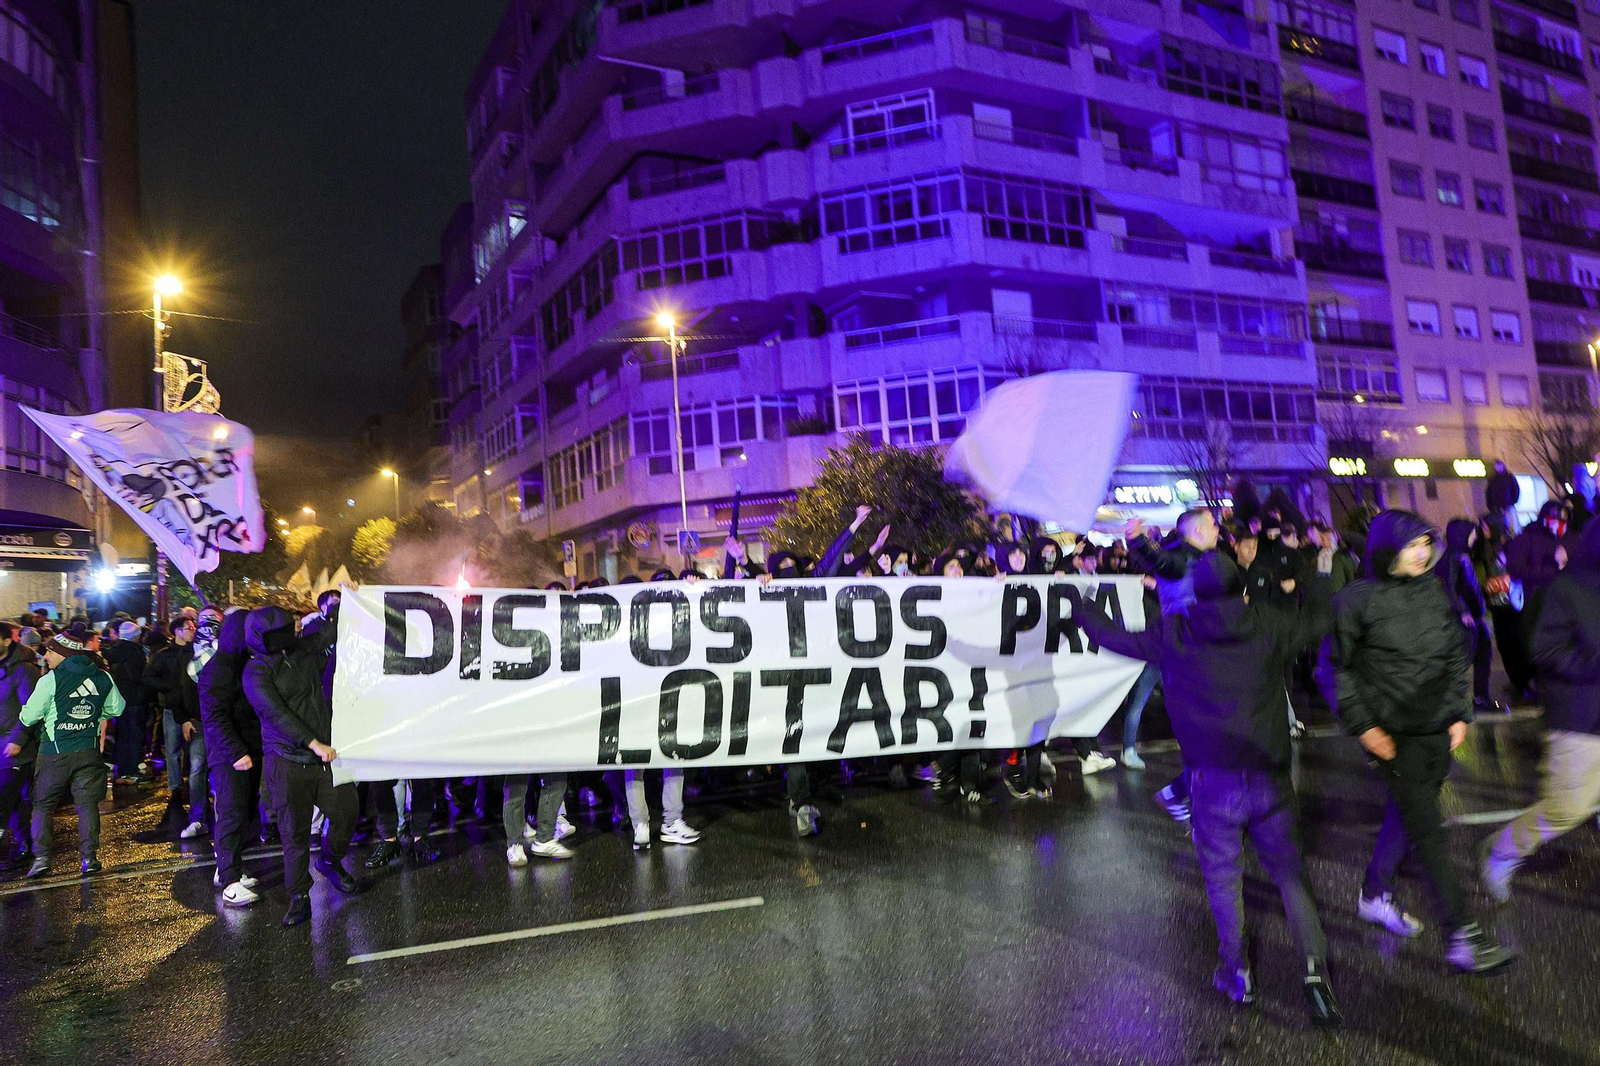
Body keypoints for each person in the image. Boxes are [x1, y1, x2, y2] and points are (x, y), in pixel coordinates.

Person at [1079, 550, 1343, 1025]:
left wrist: (1084, 598)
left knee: (1224, 879)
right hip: (1268, 775)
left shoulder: (1175, 633)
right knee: (1288, 873)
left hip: (1210, 782)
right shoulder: (1265, 624)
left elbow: (1108, 636)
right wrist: (1320, 572)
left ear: (1195, 594)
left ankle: (1236, 970)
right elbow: (1321, 616)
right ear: (1243, 590)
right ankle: (1313, 970)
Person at [1333, 510, 1514, 973]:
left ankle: (1373, 894)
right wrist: (1366, 728)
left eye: (1425, 544)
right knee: (1429, 834)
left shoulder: (1433, 594)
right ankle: (1462, 935)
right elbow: (1335, 670)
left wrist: (1460, 713)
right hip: (1396, 739)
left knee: (1407, 819)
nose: (1422, 552)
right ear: (1386, 549)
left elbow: (1456, 655)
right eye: (1411, 544)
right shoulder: (1356, 601)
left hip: (1437, 733)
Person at [1481, 518, 1600, 900]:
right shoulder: (1568, 589)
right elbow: (1544, 650)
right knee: (1567, 807)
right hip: (1579, 717)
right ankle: (1501, 852)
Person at [243, 605, 360, 926]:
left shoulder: (303, 649)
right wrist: (314, 744)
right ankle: (298, 895)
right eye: (280, 631)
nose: (290, 633)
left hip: (324, 759)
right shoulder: (255, 672)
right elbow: (276, 715)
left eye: (289, 627)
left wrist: (345, 604)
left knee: (347, 811)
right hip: (287, 761)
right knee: (293, 833)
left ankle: (330, 861)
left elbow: (331, 630)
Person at [1127, 509, 1221, 819]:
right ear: (1196, 532)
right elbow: (1163, 563)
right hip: (1188, 657)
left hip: (1201, 653)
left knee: (1213, 737)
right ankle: (1182, 796)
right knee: (1204, 735)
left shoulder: (1205, 557)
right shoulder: (1181, 555)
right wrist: (1138, 540)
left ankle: (1182, 794)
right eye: (1211, 524)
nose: (1217, 528)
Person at [20, 625, 124, 877]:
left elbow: (28, 717)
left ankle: (42, 858)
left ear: (64, 654)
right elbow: (117, 708)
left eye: (50, 652)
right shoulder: (102, 676)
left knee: (43, 805)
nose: (45, 656)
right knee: (87, 806)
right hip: (88, 752)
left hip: (55, 753)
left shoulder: (50, 680)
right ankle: (90, 858)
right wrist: (94, 714)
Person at [199, 608, 264, 907]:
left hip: (246, 751)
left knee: (245, 813)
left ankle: (229, 868)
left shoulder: (238, 662)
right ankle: (229, 881)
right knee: (231, 813)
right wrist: (236, 751)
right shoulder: (221, 667)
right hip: (230, 756)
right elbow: (214, 716)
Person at [147, 615, 207, 837]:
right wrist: (170, 687)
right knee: (173, 750)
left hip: (194, 712)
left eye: (193, 626)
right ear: (177, 632)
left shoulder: (197, 652)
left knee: (196, 758)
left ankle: (195, 796)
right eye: (187, 627)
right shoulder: (164, 655)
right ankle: (175, 788)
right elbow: (148, 677)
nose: (192, 630)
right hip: (173, 710)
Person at [1437, 519, 1496, 714]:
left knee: (1480, 655)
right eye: (1471, 533)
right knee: (1470, 658)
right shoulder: (1456, 557)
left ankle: (1479, 697)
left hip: (1472, 616)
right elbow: (1450, 587)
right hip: (1467, 618)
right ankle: (1471, 700)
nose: (1474, 536)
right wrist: (1462, 611)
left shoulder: (1456, 555)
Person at [0, 621, 39, 865]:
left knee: (6, 799)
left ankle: (28, 845)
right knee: (14, 802)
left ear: (6, 640)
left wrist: (18, 739)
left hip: (15, 749)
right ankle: (29, 844)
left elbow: (32, 709)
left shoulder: (23, 669)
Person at [102, 620, 149, 782]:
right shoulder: (135, 652)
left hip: (119, 699)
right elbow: (139, 676)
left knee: (123, 734)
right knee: (134, 735)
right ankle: (131, 770)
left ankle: (122, 769)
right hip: (134, 698)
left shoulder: (114, 651)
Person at [1486, 460, 1520, 537]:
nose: (1497, 468)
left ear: (1502, 466)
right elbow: (1488, 494)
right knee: (1500, 527)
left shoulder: (1509, 477)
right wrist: (1490, 506)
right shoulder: (1492, 480)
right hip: (1496, 509)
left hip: (1508, 506)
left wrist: (1512, 502)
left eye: (1499, 466)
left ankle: (1513, 537)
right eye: (1496, 466)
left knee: (1512, 526)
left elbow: (1516, 490)